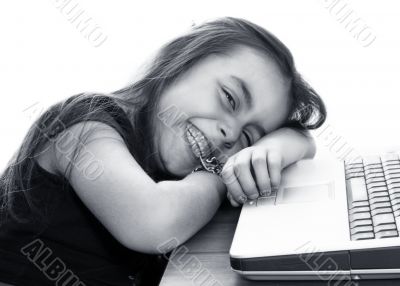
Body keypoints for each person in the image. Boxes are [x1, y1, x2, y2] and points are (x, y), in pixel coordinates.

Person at [0, 17, 326, 285]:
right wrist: (215, 179)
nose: (230, 134)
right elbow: (154, 223)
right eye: (229, 98)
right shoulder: (84, 123)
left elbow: (302, 140)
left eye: (248, 136)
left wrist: (275, 147)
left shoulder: (174, 172)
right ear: (181, 60)